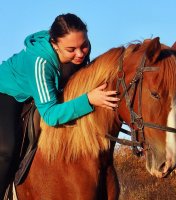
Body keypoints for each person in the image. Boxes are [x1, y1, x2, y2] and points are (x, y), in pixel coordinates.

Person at [0, 13, 119, 198]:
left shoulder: (79, 50)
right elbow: (50, 115)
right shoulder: (41, 62)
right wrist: (88, 100)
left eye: (84, 45)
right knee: (6, 149)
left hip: (46, 87)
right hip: (9, 90)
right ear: (55, 45)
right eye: (71, 49)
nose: (80, 54)